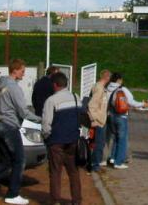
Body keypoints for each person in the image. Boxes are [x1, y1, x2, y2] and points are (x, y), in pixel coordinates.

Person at [0, 59, 41, 205]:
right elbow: (23, 111)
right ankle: (12, 194)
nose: (23, 74)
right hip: (10, 126)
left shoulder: (0, 85)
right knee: (19, 159)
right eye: (22, 71)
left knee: (7, 159)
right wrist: (40, 120)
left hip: (0, 125)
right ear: (15, 70)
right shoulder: (14, 88)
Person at [42, 72, 82, 205]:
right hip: (73, 140)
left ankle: (55, 201)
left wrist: (46, 138)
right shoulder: (76, 97)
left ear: (55, 85)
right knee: (74, 172)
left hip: (56, 140)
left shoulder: (51, 100)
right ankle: (76, 200)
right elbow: (81, 118)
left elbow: (46, 124)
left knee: (55, 172)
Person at [105, 72, 144, 169]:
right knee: (122, 140)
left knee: (115, 138)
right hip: (121, 116)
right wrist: (142, 104)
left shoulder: (107, 88)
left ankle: (113, 158)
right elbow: (131, 102)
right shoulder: (122, 89)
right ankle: (118, 162)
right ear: (119, 80)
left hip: (110, 116)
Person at [87, 69, 111, 172]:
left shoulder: (98, 87)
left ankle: (94, 163)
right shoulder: (100, 89)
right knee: (99, 144)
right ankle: (95, 165)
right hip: (99, 121)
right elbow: (91, 105)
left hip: (100, 120)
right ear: (107, 77)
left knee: (97, 143)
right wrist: (98, 118)